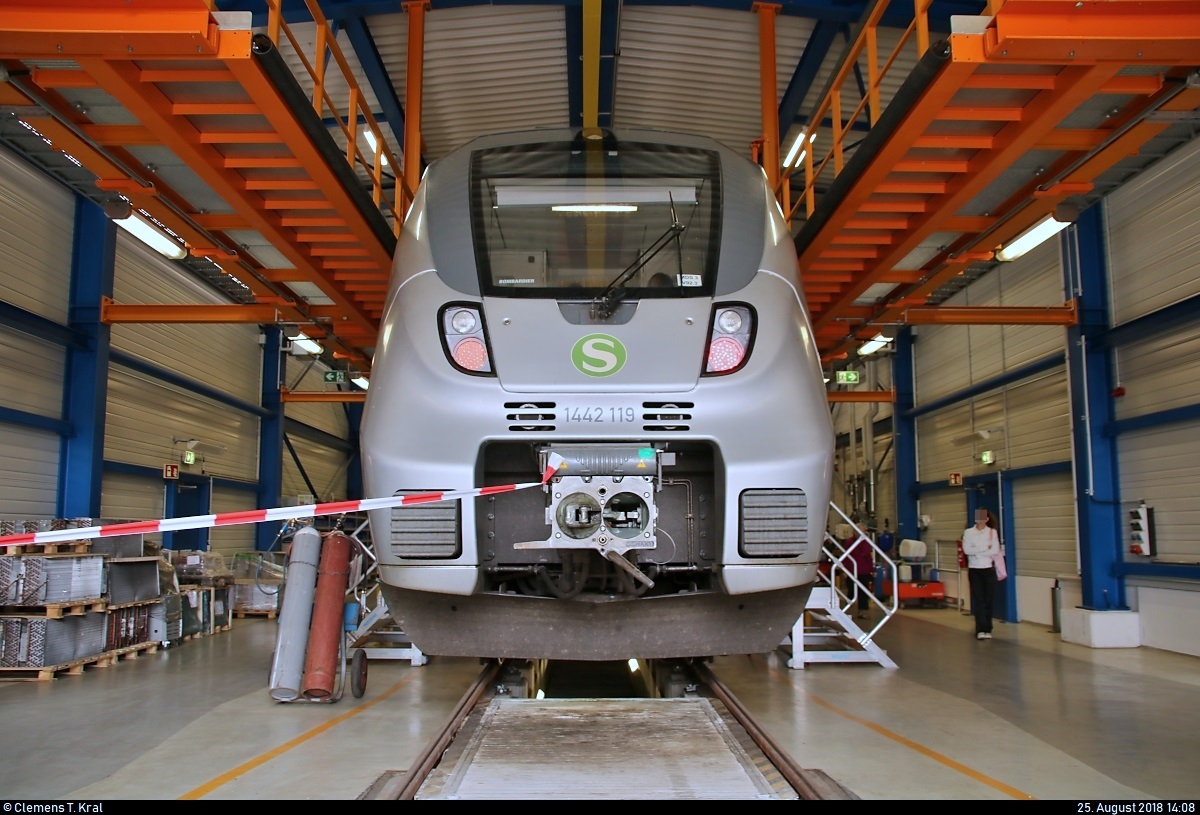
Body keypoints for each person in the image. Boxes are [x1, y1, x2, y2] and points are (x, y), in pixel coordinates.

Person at [961, 508, 1001, 640]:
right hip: (974, 570)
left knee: (988, 599)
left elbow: (995, 550)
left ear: (987, 519)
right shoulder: (968, 532)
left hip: (988, 569)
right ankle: (980, 629)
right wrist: (985, 548)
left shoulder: (992, 532)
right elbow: (967, 550)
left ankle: (988, 628)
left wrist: (977, 550)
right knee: (979, 599)